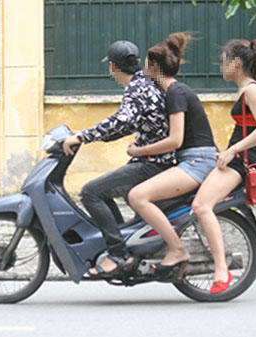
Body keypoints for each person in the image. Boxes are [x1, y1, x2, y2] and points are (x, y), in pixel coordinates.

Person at [62, 40, 175, 277]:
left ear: (113, 66)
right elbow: (126, 125)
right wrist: (90, 137)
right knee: (105, 191)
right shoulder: (144, 83)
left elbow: (121, 121)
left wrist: (82, 136)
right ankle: (124, 243)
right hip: (154, 160)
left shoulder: (136, 88)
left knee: (91, 192)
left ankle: (117, 254)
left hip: (151, 164)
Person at [127, 32, 217, 277]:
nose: (142, 68)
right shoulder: (171, 92)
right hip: (192, 159)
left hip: (199, 161)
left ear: (154, 66)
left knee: (138, 196)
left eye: (146, 63)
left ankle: (177, 250)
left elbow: (175, 140)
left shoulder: (176, 93)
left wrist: (139, 151)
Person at [191, 39, 256, 294]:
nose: (220, 66)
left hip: (240, 163)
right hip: (235, 159)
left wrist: (232, 151)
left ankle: (221, 270)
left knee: (201, 206)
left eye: (223, 61)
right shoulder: (246, 89)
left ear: (236, 63)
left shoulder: (252, 91)